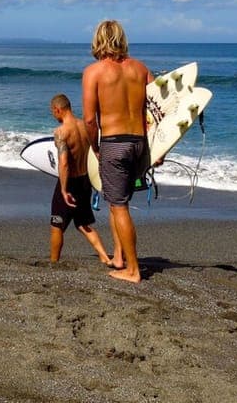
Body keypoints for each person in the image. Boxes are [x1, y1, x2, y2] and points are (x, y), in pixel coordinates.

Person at [82, 20, 154, 283]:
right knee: (118, 201)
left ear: (98, 39)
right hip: (139, 144)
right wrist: (159, 149)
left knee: (119, 205)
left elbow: (90, 120)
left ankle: (133, 270)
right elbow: (159, 111)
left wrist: (95, 147)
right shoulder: (141, 69)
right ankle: (120, 257)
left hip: (114, 143)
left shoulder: (94, 72)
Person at [48, 93, 113, 266]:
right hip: (85, 180)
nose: (53, 116)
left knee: (57, 225)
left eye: (53, 112)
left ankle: (53, 262)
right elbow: (95, 151)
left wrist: (63, 189)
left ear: (58, 109)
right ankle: (104, 256)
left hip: (70, 183)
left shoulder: (61, 132)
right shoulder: (85, 126)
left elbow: (64, 164)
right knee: (83, 223)